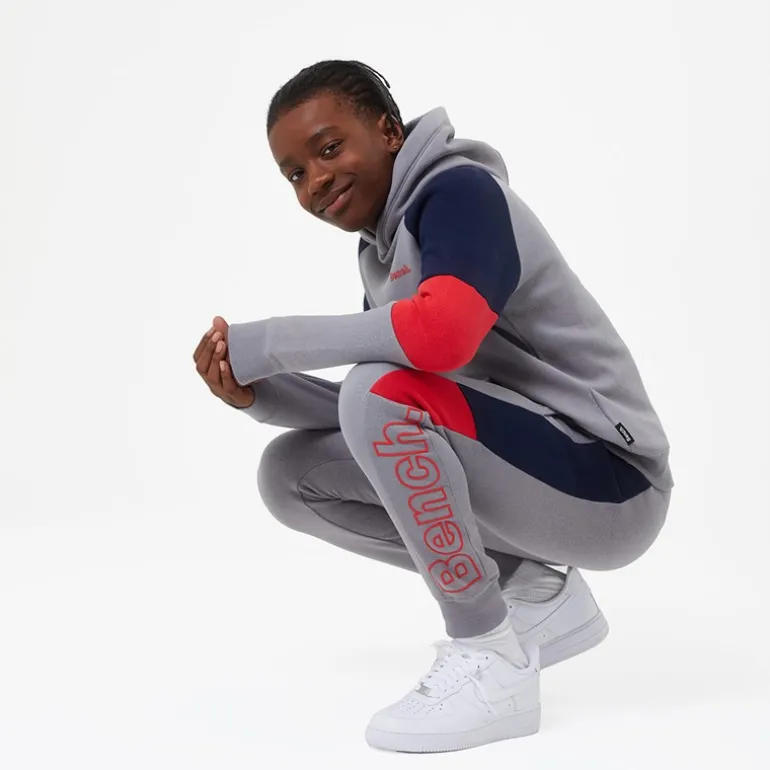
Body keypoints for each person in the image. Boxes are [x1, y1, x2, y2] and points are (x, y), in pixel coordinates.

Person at [192, 59, 674, 754]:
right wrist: (256, 395)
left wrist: (272, 343)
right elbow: (377, 416)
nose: (315, 180)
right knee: (290, 476)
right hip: (539, 477)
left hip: (612, 484)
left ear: (389, 131)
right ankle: (538, 591)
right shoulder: (382, 252)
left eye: (329, 148)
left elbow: (440, 337)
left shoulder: (460, 193)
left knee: (380, 390)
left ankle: (490, 655)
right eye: (295, 173)